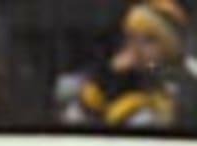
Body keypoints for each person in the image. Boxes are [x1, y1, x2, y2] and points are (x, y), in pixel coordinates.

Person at [58, 0, 197, 130]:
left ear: (170, 47)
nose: (136, 48)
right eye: (131, 37)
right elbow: (73, 118)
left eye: (149, 40)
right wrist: (107, 80)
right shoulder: (113, 76)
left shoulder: (187, 82)